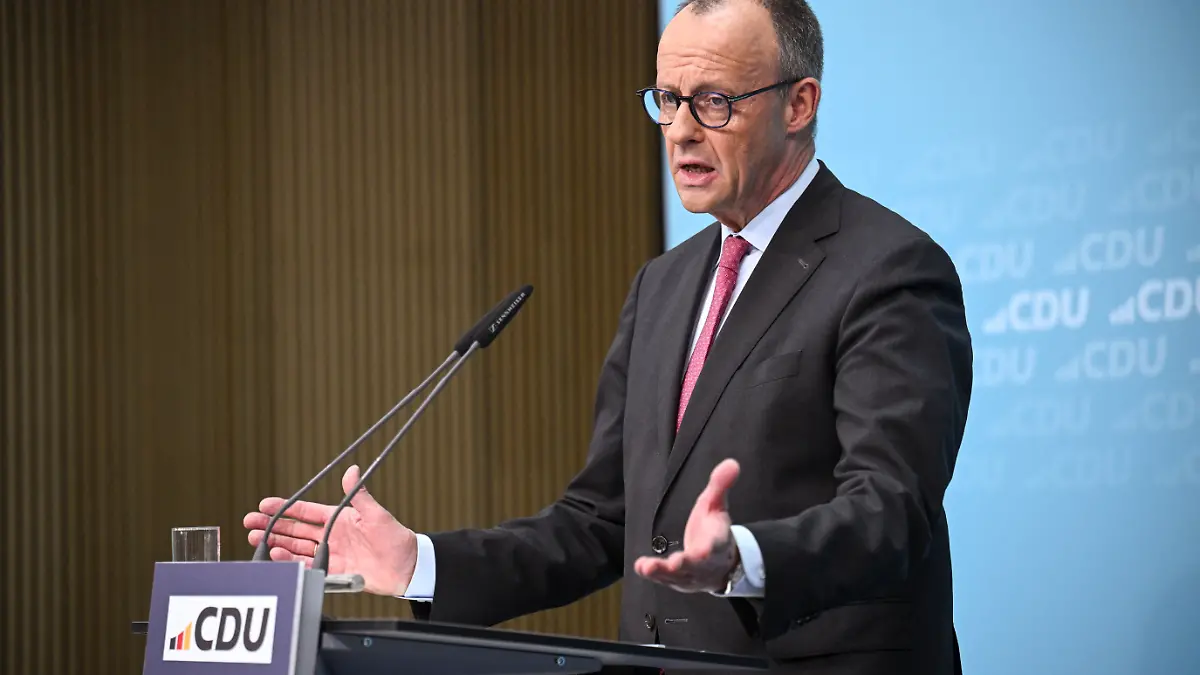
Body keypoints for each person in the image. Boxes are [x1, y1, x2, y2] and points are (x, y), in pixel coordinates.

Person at [244, 1, 972, 672]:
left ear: (799, 103)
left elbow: (890, 510)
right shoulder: (663, 284)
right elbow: (599, 524)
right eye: (668, 100)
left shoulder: (888, 268)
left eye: (714, 101)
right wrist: (417, 563)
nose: (682, 128)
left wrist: (744, 556)